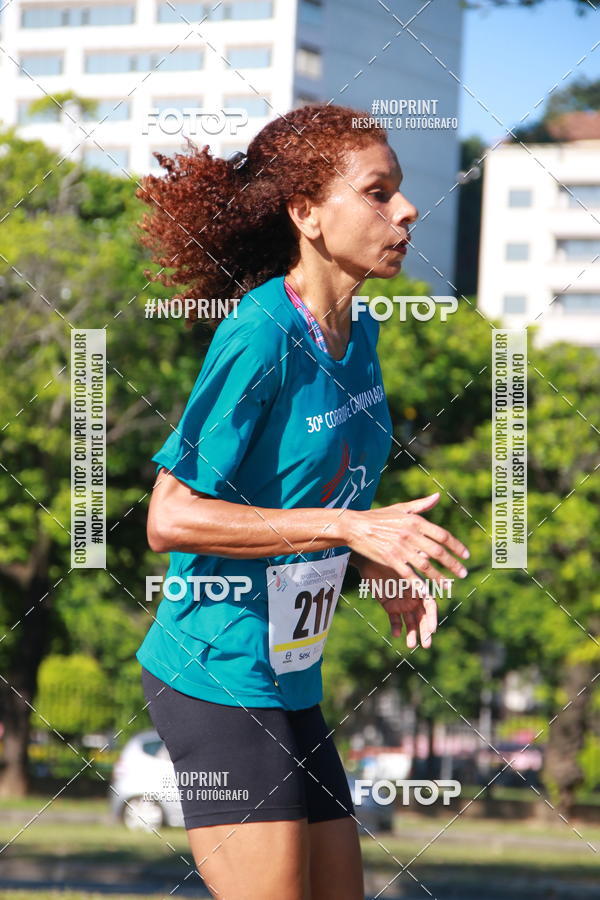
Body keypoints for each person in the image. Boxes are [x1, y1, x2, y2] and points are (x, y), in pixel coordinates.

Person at [134, 102, 470, 900]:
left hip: (291, 677)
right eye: (378, 193)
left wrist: (371, 561)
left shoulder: (363, 335)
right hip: (216, 669)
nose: (407, 210)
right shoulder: (258, 332)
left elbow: (311, 491)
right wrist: (351, 528)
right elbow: (168, 516)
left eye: (401, 192)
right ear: (308, 213)